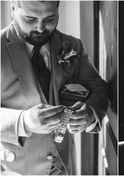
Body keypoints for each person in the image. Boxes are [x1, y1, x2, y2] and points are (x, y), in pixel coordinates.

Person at [0, 1, 109, 175]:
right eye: (30, 18)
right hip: (14, 169)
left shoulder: (73, 45)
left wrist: (91, 113)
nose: (41, 27)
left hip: (63, 164)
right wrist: (24, 121)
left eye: (50, 18)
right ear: (13, 9)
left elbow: (98, 87)